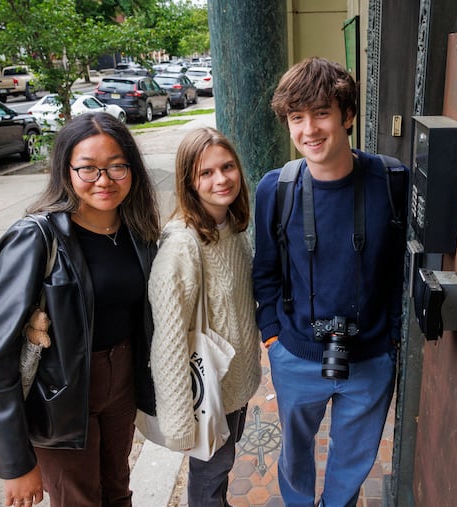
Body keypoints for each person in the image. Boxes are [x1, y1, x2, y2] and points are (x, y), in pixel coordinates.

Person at [0, 113, 160, 507]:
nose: (104, 180)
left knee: (118, 492)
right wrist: (15, 463)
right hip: (59, 394)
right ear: (66, 170)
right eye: (88, 169)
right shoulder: (36, 238)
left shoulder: (136, 229)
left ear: (132, 169)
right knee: (79, 500)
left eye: (116, 167)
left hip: (120, 382)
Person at [252, 56, 407, 506]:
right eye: (296, 118)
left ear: (348, 116)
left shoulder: (391, 180)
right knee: (294, 454)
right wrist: (272, 338)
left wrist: (392, 338)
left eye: (321, 113)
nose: (309, 130)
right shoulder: (274, 189)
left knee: (353, 462)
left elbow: (400, 267)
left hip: (371, 357)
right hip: (295, 354)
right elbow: (264, 271)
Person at [148, 126, 262, 506]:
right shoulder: (182, 245)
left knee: (220, 472)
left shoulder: (230, 225)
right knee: (209, 478)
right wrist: (180, 422)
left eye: (227, 167)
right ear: (189, 182)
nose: (221, 179)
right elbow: (167, 341)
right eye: (206, 173)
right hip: (208, 396)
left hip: (234, 387)